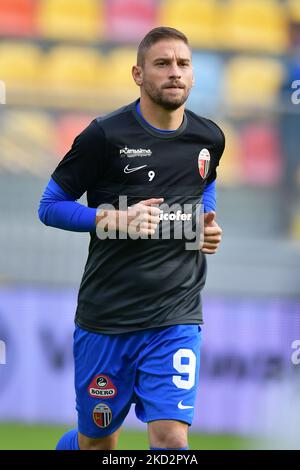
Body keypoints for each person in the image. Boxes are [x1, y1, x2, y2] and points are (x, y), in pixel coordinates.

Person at [38, 27, 225, 451]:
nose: (174, 72)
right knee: (97, 444)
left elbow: (205, 186)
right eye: (162, 64)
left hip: (175, 316)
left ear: (193, 76)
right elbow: (49, 206)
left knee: (172, 440)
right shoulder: (104, 136)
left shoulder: (209, 137)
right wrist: (116, 219)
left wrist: (204, 226)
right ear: (138, 74)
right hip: (107, 318)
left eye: (183, 64)